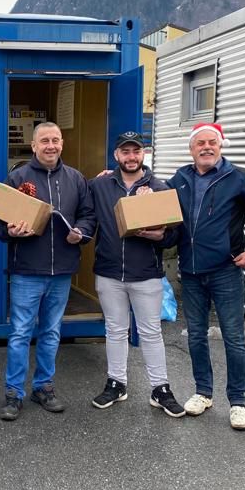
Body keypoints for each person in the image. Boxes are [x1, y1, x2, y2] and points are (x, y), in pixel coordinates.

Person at [167, 122, 245, 430]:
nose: (206, 147)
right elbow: (155, 197)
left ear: (221, 146)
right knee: (196, 335)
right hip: (190, 271)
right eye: (200, 143)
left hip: (226, 270)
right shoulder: (180, 179)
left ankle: (238, 402)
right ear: (191, 148)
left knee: (233, 338)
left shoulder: (239, 177)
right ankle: (203, 392)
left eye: (212, 142)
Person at [0, 122, 95, 421]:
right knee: (20, 333)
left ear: (62, 143)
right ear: (34, 146)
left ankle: (43, 387)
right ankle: (14, 393)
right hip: (26, 270)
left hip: (62, 271)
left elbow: (89, 215)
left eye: (55, 140)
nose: (51, 146)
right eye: (44, 141)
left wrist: (81, 232)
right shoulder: (17, 178)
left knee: (51, 332)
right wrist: (11, 231)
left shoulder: (76, 179)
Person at [87, 131, 185, 417]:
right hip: (109, 272)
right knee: (115, 330)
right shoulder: (100, 185)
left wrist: (160, 236)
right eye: (125, 151)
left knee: (151, 332)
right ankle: (116, 383)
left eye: (136, 151)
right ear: (116, 155)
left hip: (146, 274)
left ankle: (160, 388)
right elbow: (85, 213)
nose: (131, 157)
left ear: (143, 154)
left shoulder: (160, 188)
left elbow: (174, 234)